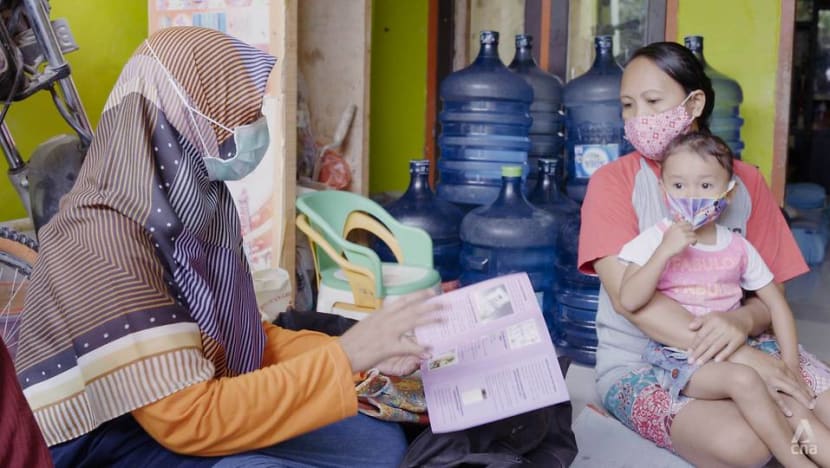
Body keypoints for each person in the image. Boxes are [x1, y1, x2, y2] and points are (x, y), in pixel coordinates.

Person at [13, 27, 439, 467]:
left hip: (179, 402)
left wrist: (368, 355)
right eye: (238, 110)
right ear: (184, 114)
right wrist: (347, 355)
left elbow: (245, 340)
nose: (253, 123)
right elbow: (189, 419)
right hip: (104, 437)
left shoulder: (196, 205)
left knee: (378, 446)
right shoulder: (101, 236)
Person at [579, 41, 830, 467]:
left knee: (805, 405)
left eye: (653, 101)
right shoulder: (613, 183)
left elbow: (771, 295)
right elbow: (629, 300)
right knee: (746, 443)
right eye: (627, 105)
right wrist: (745, 358)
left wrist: (741, 322)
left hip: (747, 343)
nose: (638, 118)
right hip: (644, 361)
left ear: (693, 104)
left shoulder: (743, 183)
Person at [617, 132, 821, 467]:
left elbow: (777, 304)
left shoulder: (737, 247)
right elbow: (629, 299)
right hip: (682, 361)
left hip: (733, 351)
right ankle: (796, 462)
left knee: (796, 404)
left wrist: (791, 366)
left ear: (729, 191)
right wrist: (664, 252)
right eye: (678, 186)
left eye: (705, 186)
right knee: (746, 380)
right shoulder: (654, 240)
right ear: (663, 189)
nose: (691, 196)